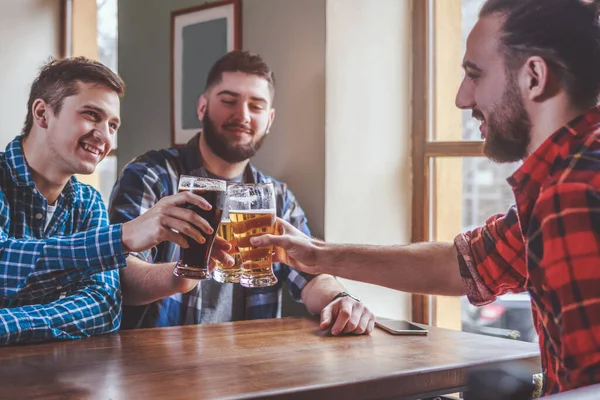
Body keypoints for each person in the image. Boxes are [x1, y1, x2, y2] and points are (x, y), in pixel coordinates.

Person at [250, 0, 600, 395]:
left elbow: (589, 388)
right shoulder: (560, 179)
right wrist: (319, 254)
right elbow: (462, 266)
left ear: (534, 78)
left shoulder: (573, 191)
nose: (462, 98)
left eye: (474, 75)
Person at [109, 51, 375, 335]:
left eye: (256, 106)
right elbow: (123, 278)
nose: (243, 115)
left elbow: (309, 276)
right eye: (228, 101)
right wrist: (187, 271)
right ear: (202, 107)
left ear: (270, 119)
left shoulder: (277, 197)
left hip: (248, 367)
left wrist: (341, 299)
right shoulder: (152, 175)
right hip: (157, 367)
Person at [0, 57, 225, 345]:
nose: (104, 136)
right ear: (42, 113)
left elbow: (103, 306)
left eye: (113, 125)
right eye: (91, 115)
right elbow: (4, 262)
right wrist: (123, 237)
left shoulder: (87, 201)